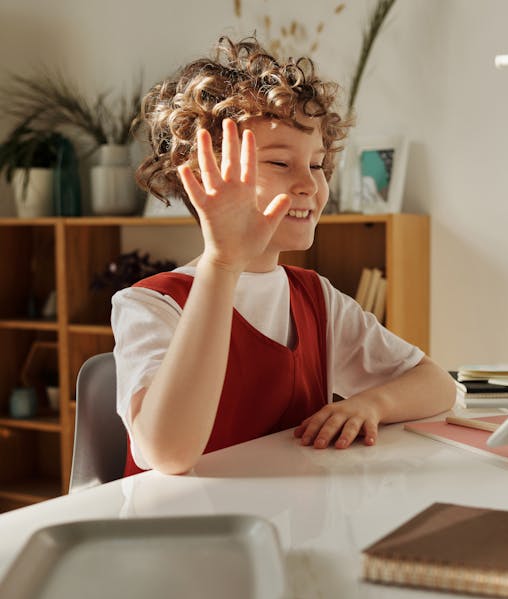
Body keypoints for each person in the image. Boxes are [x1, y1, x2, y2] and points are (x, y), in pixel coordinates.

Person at [111, 36, 455, 476]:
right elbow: (170, 453)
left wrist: (372, 403)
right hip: (181, 534)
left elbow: (437, 385)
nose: (310, 185)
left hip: (287, 525)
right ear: (204, 178)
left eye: (316, 165)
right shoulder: (149, 305)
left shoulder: (315, 298)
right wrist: (222, 263)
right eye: (279, 164)